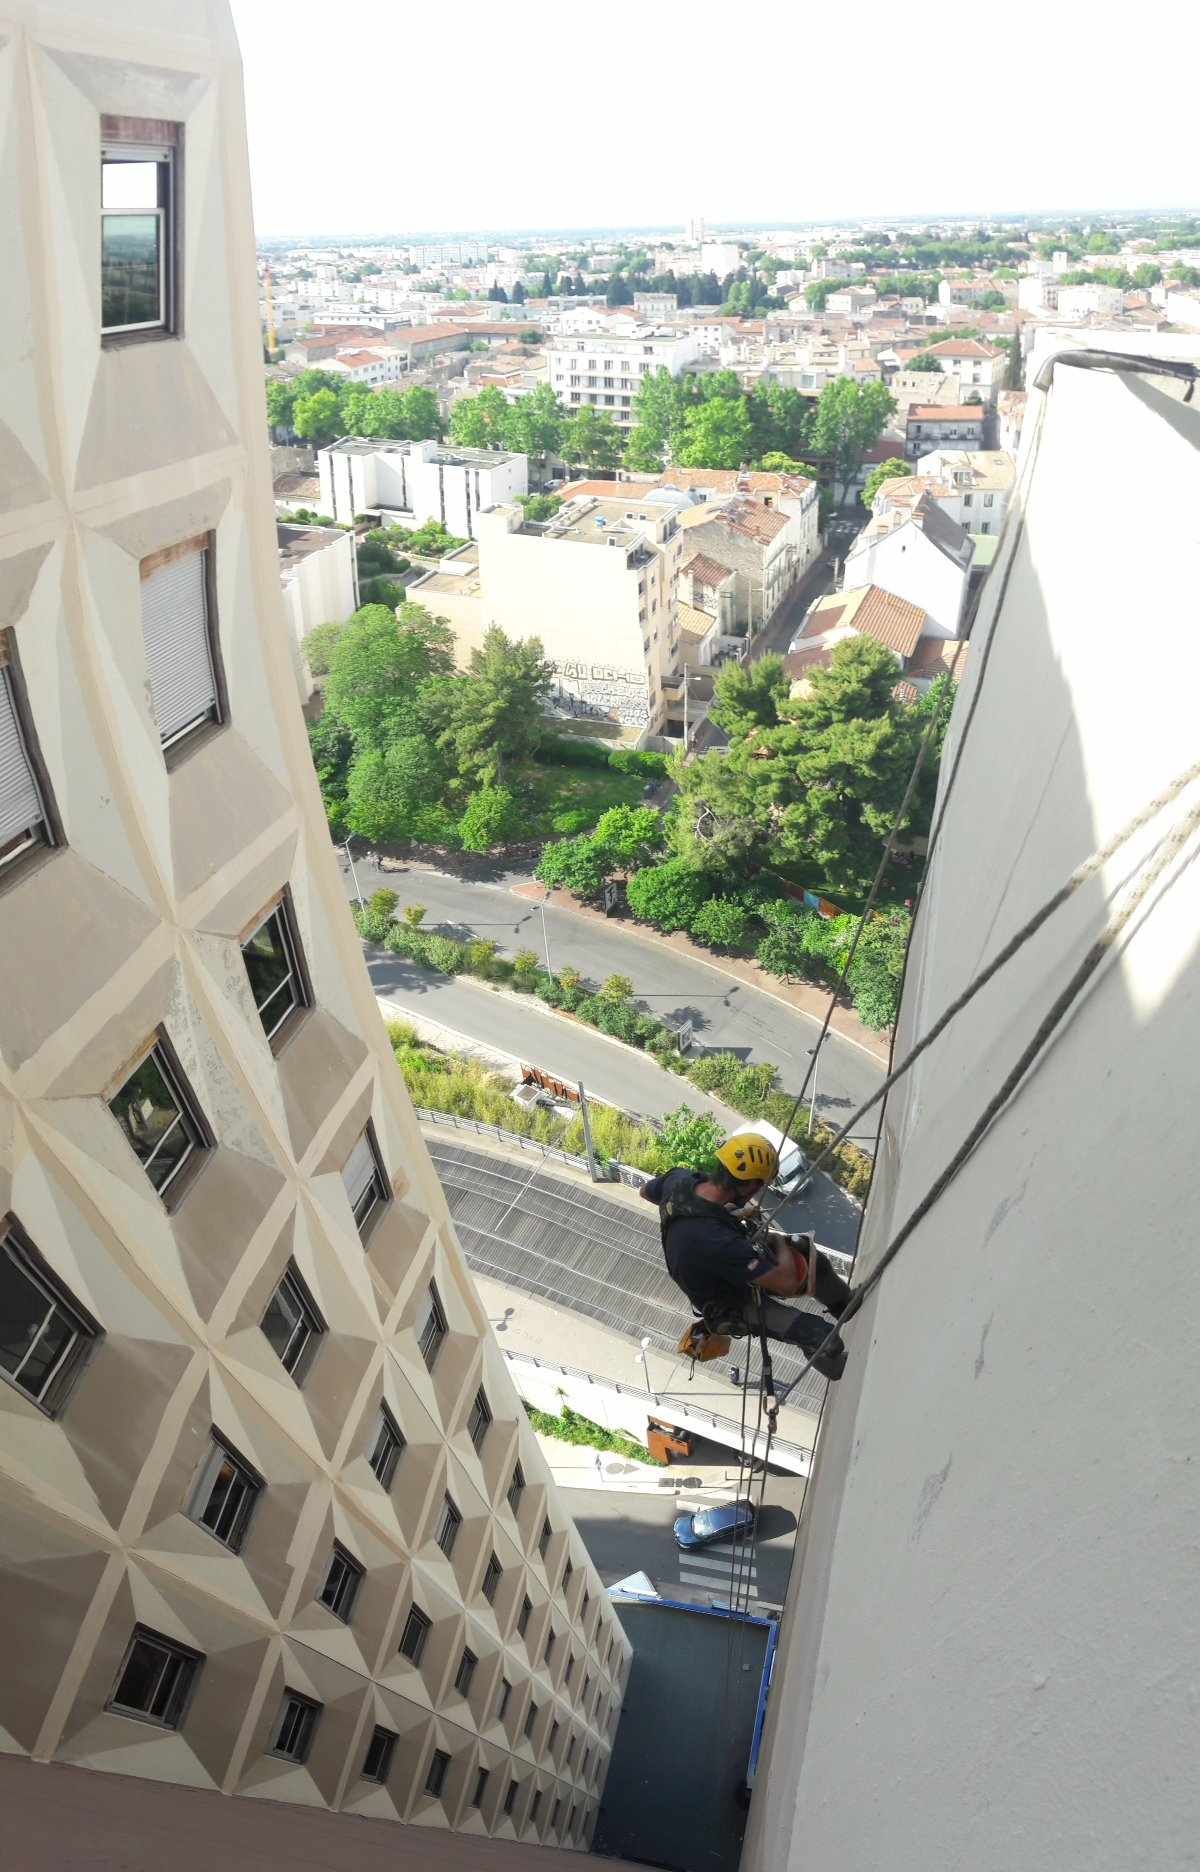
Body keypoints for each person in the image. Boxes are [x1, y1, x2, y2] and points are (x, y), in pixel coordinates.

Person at [640, 1132, 851, 1381]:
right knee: (820, 1336)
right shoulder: (714, 1239)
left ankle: (844, 1305)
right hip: (729, 1302)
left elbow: (645, 1191)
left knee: (804, 1250)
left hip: (716, 1266)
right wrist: (777, 1242)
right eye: (760, 1185)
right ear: (751, 1184)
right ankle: (829, 1362)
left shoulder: (681, 1180)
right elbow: (787, 1281)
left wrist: (727, 1211)